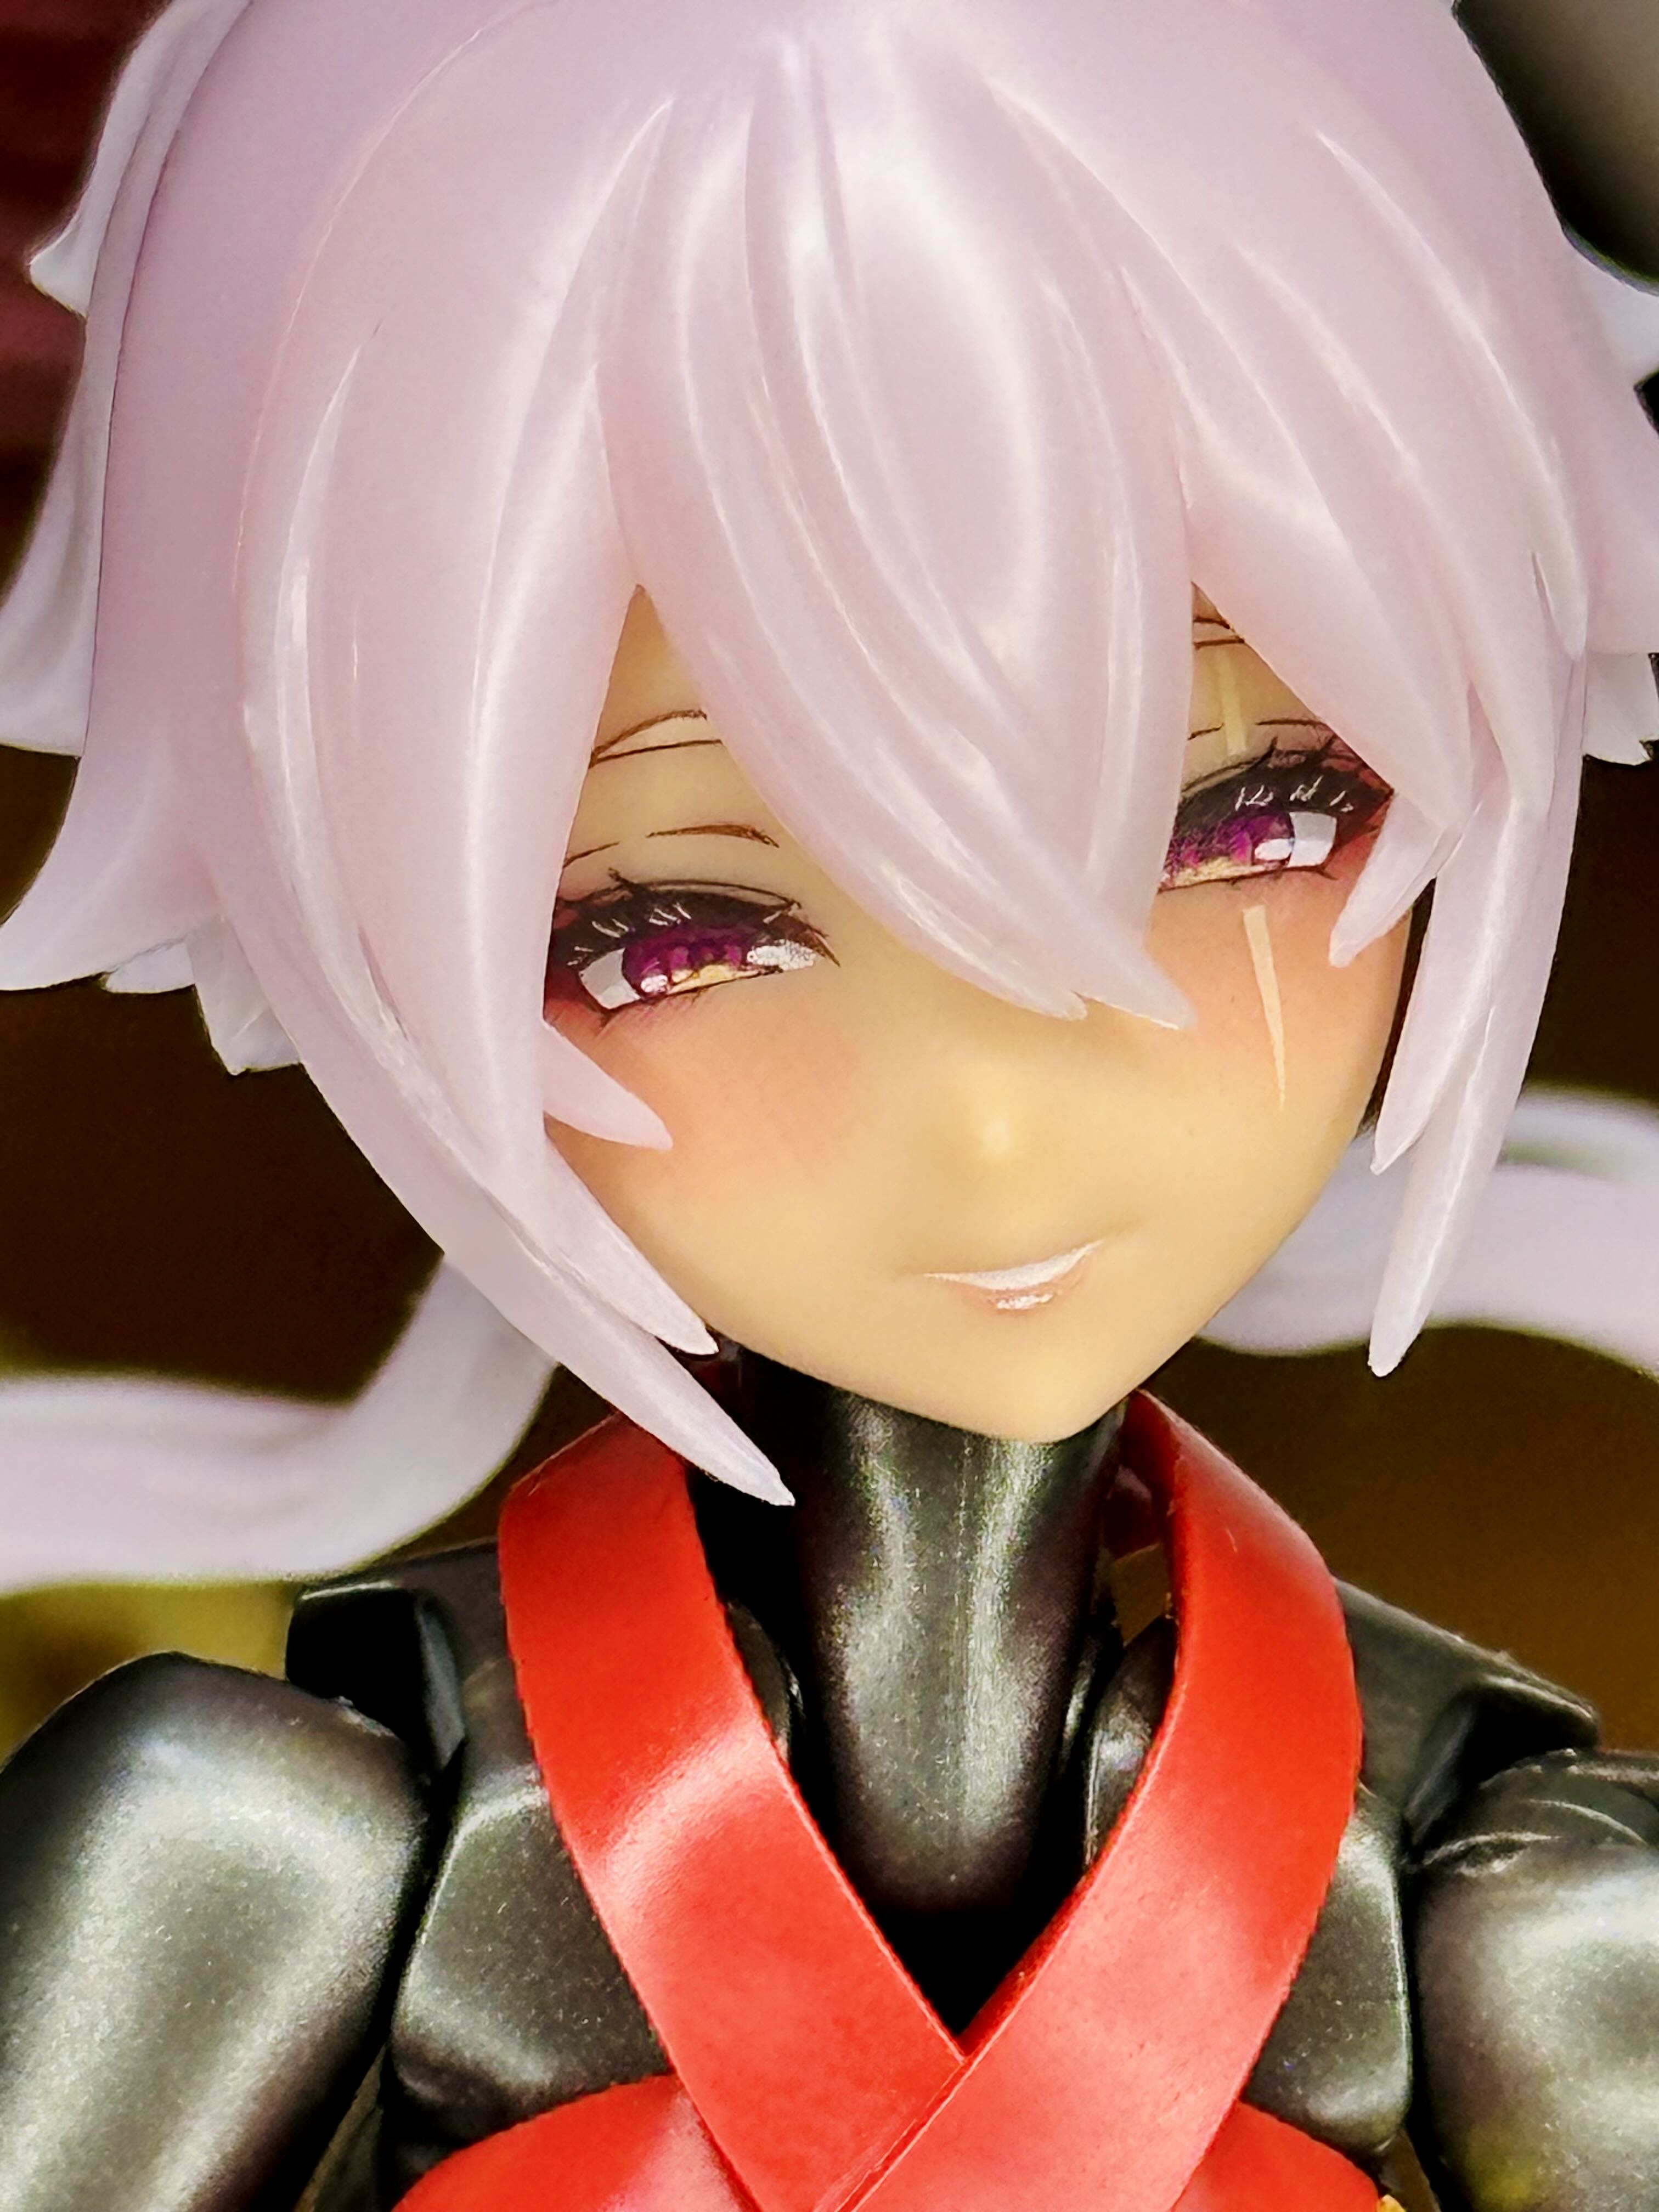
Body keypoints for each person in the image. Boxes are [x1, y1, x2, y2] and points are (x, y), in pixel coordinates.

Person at [1, 0, 1657, 2204]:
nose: (998, 1123)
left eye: (1248, 819)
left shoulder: (1511, 1915)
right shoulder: (275, 1858)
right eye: (674, 935)